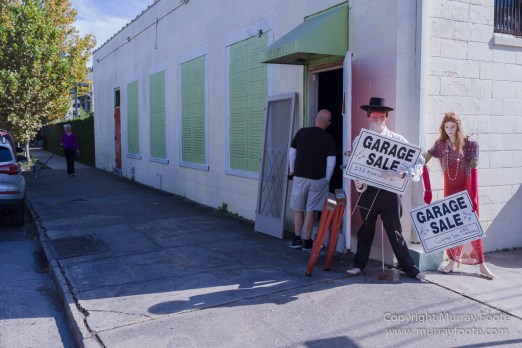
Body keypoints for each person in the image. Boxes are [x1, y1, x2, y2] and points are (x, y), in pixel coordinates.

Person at [346, 97, 425, 280]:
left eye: (381, 117)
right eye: (374, 117)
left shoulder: (398, 140)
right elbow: (356, 166)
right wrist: (358, 183)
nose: (378, 121)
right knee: (366, 229)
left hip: (390, 191)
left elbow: (419, 163)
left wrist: (402, 174)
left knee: (394, 231)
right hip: (368, 191)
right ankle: (359, 265)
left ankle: (410, 268)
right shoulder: (360, 140)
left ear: (386, 118)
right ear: (368, 118)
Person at [422, 112, 495, 279]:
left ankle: (481, 264)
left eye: (453, 127)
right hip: (450, 189)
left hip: (466, 188)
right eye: (447, 127)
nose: (450, 130)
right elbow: (424, 159)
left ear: (458, 127)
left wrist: (473, 196)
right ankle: (453, 261)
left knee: (470, 225)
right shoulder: (440, 145)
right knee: (453, 226)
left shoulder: (470, 144)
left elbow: (474, 171)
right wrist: (413, 164)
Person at [288, 109, 336, 250]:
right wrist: (326, 180)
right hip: (318, 179)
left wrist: (292, 170)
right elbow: (331, 163)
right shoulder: (329, 139)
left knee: (298, 208)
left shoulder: (302, 132)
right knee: (311, 210)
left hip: (300, 176)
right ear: (328, 123)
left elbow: (292, 153)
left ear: (316, 118)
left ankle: (296, 239)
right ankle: (307, 241)